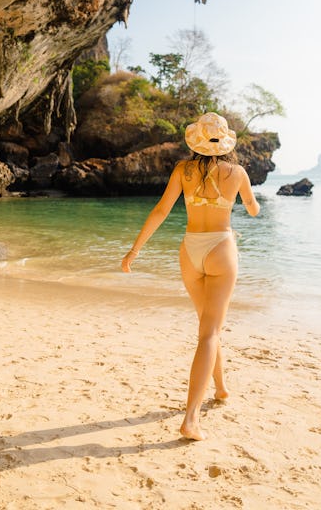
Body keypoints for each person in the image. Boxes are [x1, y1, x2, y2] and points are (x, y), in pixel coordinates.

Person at [121, 112, 260, 441]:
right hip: (221, 249)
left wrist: (133, 252)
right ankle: (191, 418)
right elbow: (253, 209)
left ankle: (221, 388)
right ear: (225, 142)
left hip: (190, 251)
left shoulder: (183, 170)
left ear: (196, 140)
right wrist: (252, 205)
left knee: (207, 326)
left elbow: (160, 211)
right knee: (209, 332)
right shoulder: (237, 172)